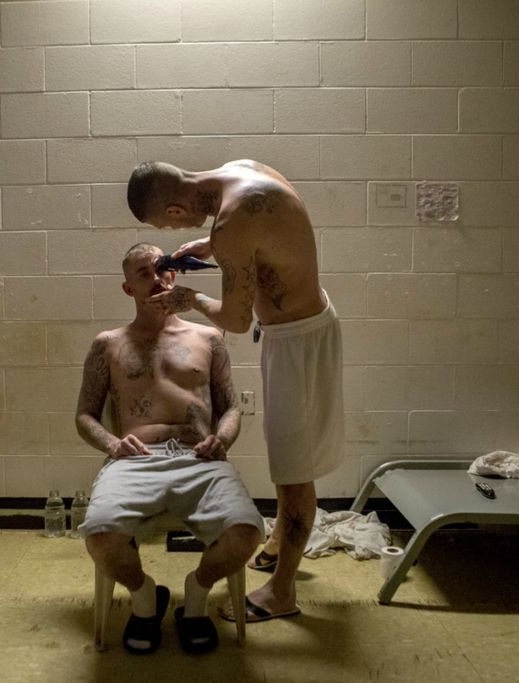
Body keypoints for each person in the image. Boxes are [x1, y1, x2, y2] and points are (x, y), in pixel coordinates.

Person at [126, 160, 344, 624]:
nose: (176, 228)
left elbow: (236, 322)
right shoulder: (240, 172)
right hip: (299, 327)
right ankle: (277, 541)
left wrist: (190, 299)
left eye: (170, 222)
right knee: (286, 454)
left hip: (298, 341)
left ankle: (282, 592)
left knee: (293, 467)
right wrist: (212, 247)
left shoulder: (231, 223)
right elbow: (269, 233)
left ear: (175, 205)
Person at [75, 242, 263, 655]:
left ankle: (195, 598)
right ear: (128, 288)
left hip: (200, 458)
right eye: (143, 273)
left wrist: (223, 438)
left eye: (162, 270)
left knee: (248, 532)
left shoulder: (210, 337)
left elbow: (230, 406)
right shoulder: (108, 343)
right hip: (136, 459)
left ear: (175, 275)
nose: (156, 279)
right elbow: (85, 416)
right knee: (100, 537)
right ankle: (146, 602)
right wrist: (112, 442)